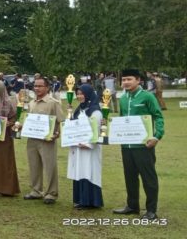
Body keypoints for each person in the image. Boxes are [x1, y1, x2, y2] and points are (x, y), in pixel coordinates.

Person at [113, 69, 165, 220]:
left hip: (144, 146)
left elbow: (158, 117)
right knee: (130, 177)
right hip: (126, 146)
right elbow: (122, 120)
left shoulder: (147, 96)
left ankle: (151, 210)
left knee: (149, 178)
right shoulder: (123, 98)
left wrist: (156, 136)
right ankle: (132, 206)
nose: (126, 82)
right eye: (123, 80)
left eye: (129, 79)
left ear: (138, 80)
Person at [23, 77, 64, 204]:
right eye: (35, 86)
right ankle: (36, 190)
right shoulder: (31, 103)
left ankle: (51, 193)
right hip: (32, 139)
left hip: (47, 140)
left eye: (40, 86)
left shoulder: (53, 102)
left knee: (49, 166)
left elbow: (61, 121)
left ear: (47, 88)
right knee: (34, 165)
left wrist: (57, 133)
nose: (37, 88)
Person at [67, 84, 103, 210]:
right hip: (78, 146)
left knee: (89, 171)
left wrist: (88, 143)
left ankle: (90, 200)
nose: (79, 96)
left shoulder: (95, 111)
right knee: (79, 171)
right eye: (77, 93)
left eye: (82, 93)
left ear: (88, 94)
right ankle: (80, 199)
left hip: (89, 148)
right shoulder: (79, 109)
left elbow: (97, 129)